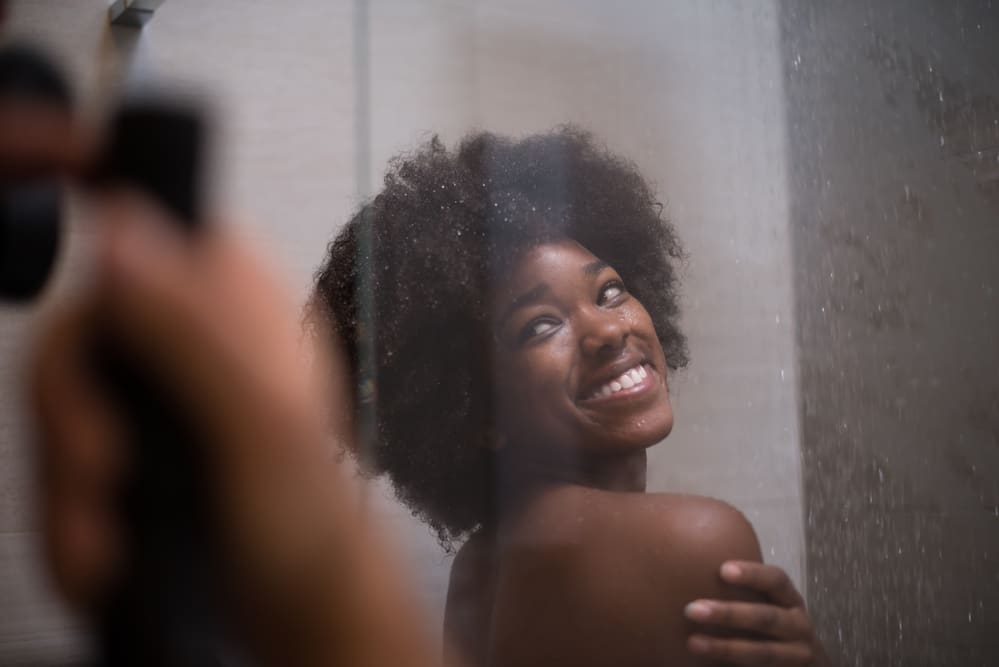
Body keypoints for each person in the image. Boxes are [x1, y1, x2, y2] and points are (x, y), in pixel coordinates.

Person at [312, 128, 829, 666]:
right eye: (539, 326)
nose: (607, 331)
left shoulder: (483, 563)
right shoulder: (691, 540)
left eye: (609, 291)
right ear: (473, 409)